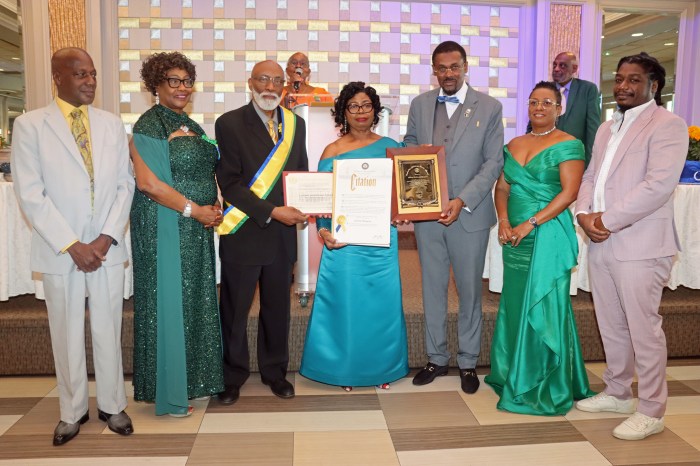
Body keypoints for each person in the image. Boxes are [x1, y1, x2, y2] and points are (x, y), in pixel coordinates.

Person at [11, 47, 134, 445]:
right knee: (64, 332)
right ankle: (72, 411)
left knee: (107, 328)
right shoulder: (30, 126)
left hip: (106, 248)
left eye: (93, 74)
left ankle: (113, 405)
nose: (90, 81)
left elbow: (123, 185)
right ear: (57, 77)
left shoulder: (112, 123)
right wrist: (71, 244)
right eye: (80, 74)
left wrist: (104, 238)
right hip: (60, 249)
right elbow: (31, 194)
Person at [575, 53, 688, 440]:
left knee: (644, 330)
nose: (623, 86)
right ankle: (619, 392)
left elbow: (657, 186)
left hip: (641, 243)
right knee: (611, 324)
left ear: (653, 86)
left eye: (634, 80)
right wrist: (585, 214)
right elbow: (591, 176)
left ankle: (653, 410)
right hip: (601, 239)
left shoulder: (670, 125)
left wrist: (606, 220)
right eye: (619, 79)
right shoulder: (607, 128)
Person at [484, 81, 593, 415]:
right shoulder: (515, 143)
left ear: (559, 108)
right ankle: (512, 372)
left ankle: (546, 383)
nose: (539, 107)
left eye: (547, 102)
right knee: (516, 304)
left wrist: (529, 223)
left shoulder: (569, 144)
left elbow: (568, 193)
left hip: (546, 235)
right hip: (513, 237)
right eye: (533, 102)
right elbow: (502, 187)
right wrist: (503, 221)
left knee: (544, 305)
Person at [404, 40, 503, 394]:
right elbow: (410, 149)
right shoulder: (420, 104)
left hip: (469, 215)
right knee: (431, 289)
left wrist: (462, 200)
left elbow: (493, 163)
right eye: (441, 68)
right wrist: (410, 198)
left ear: (464, 67)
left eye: (454, 67)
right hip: (427, 216)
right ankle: (435, 358)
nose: (447, 73)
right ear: (434, 70)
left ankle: (467, 362)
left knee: (468, 293)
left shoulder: (489, 107)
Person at [130, 52, 225, 417]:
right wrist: (193, 209)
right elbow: (148, 183)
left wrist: (214, 203)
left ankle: (192, 380)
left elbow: (206, 169)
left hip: (196, 227)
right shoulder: (149, 124)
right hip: (164, 225)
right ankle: (168, 391)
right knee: (167, 303)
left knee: (193, 301)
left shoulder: (194, 126)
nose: (182, 87)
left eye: (187, 81)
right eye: (174, 80)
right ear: (155, 85)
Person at [299, 82, 409, 391]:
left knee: (380, 306)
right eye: (353, 106)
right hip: (343, 242)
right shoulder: (332, 151)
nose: (360, 112)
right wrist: (322, 229)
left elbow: (401, 196)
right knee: (345, 305)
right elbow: (322, 199)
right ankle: (344, 371)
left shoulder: (392, 146)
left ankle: (382, 369)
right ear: (343, 112)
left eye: (366, 105)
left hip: (380, 241)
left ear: (375, 110)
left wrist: (401, 212)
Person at [215, 60, 309, 404]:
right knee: (235, 310)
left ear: (284, 86)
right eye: (263, 79)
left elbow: (299, 174)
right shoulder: (229, 123)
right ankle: (232, 376)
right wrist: (272, 212)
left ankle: (275, 372)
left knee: (277, 309)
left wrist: (305, 205)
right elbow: (230, 183)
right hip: (243, 231)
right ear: (250, 82)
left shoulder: (296, 124)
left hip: (282, 237)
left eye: (277, 81)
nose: (270, 86)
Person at [549, 52, 601, 166]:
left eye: (562, 65)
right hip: (547, 157)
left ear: (574, 69)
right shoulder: (545, 89)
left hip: (575, 157)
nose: (556, 69)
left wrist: (589, 163)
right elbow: (532, 124)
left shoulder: (588, 89)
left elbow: (592, 128)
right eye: (554, 65)